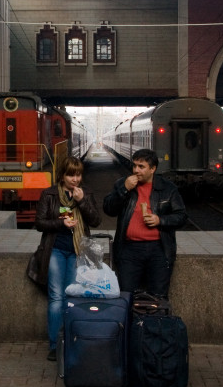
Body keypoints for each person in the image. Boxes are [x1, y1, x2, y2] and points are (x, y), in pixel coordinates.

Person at [35, 156, 101, 361]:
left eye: (78, 174)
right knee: (56, 297)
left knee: (72, 296)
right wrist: (60, 224)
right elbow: (40, 223)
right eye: (70, 174)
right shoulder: (50, 194)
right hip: (55, 249)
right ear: (62, 176)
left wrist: (82, 202)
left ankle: (71, 339)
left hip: (78, 250)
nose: (75, 179)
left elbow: (96, 221)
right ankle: (55, 345)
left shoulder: (85, 193)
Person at [103, 148, 186, 297]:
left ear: (153, 169)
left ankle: (155, 320)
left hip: (158, 250)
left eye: (141, 167)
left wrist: (160, 220)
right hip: (129, 249)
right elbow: (109, 209)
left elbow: (181, 216)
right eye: (134, 166)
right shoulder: (123, 184)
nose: (136, 170)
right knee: (126, 295)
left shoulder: (168, 188)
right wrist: (124, 189)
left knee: (158, 296)